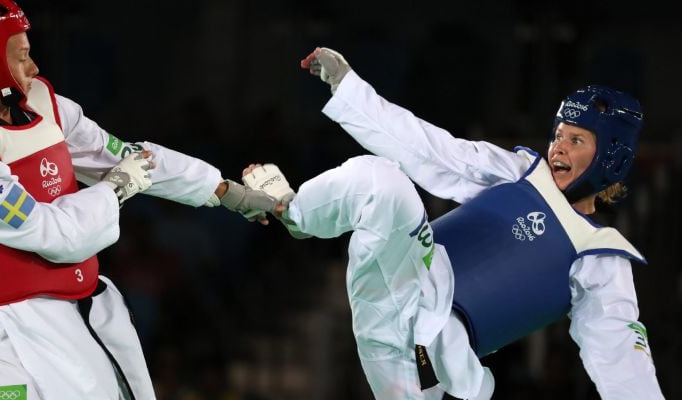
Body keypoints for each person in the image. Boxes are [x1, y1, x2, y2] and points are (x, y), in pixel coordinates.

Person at [241, 47, 665, 399]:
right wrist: (349, 87)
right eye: (558, 135)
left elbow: (621, 358)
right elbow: (431, 150)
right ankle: (291, 210)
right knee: (380, 179)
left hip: (422, 364)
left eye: (576, 140)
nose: (558, 147)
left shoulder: (600, 257)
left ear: (610, 158)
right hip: (399, 285)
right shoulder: (519, 171)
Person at [0, 0, 278, 399]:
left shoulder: (45, 107)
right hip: (19, 335)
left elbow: (129, 159)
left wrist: (225, 192)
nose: (33, 68)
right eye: (21, 57)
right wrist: (115, 189)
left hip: (87, 312)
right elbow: (53, 234)